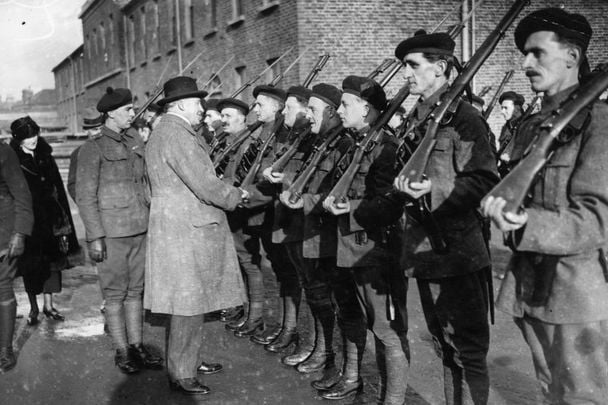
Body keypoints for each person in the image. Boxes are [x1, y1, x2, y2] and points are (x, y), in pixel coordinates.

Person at [483, 8, 608, 404]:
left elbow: (598, 217)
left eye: (537, 53)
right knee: (550, 393)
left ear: (571, 56)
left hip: (577, 294)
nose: (525, 64)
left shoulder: (600, 124)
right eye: (524, 54)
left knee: (581, 397)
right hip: (529, 287)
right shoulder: (532, 126)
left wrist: (526, 222)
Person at [393, 30, 499, 404]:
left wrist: (433, 190)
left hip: (458, 252)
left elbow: (485, 179)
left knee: (467, 351)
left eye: (412, 65)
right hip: (424, 252)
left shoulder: (465, 118)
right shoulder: (416, 120)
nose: (405, 74)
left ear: (439, 68)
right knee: (442, 345)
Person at [144, 76, 248, 395]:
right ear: (182, 105)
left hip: (176, 225)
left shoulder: (165, 132)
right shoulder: (177, 134)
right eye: (197, 104)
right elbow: (205, 183)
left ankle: (187, 361)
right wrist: (236, 195)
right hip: (187, 229)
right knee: (188, 302)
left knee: (188, 301)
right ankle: (183, 372)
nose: (202, 109)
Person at [321, 76, 409, 404]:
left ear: (367, 109)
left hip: (378, 251)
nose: (340, 111)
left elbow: (390, 203)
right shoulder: (359, 144)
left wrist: (349, 208)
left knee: (388, 333)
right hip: (355, 248)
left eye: (346, 105)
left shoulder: (386, 147)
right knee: (375, 327)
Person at [278, 83, 360, 388]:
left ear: (330, 113)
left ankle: (346, 369)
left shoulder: (346, 145)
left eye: (313, 110)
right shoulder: (318, 142)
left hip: (331, 235)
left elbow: (339, 192)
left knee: (342, 304)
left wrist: (306, 200)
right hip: (311, 230)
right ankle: (322, 351)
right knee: (317, 294)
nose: (308, 116)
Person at [76, 87, 162, 374]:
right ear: (111, 113)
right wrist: (95, 237)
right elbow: (86, 197)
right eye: (127, 110)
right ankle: (122, 350)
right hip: (111, 234)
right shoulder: (93, 147)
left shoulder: (134, 139)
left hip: (139, 227)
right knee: (115, 295)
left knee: (136, 291)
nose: (132, 114)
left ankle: (137, 346)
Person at [9, 116, 78, 326]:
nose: (33, 140)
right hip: (28, 220)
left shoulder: (45, 155)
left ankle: (49, 305)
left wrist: (63, 219)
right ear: (19, 139)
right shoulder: (13, 159)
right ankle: (34, 307)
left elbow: (57, 187)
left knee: (53, 264)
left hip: (50, 218)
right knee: (30, 266)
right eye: (28, 137)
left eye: (35, 134)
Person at [260, 85, 313, 353]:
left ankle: (306, 340)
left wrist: (286, 178)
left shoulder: (311, 137)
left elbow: (311, 177)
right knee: (287, 274)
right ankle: (288, 328)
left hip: (303, 219)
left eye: (289, 107)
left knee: (310, 283)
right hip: (285, 216)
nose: (285, 111)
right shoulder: (288, 134)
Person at [0, 141, 33, 373]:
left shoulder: (4, 152)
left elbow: (22, 195)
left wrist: (20, 233)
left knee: (2, 288)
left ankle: (5, 350)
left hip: (2, 234)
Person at [67, 107, 104, 202]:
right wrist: (86, 206)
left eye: (102, 129)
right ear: (85, 131)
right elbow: (72, 185)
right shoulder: (78, 153)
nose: (99, 133)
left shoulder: (114, 148)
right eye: (95, 129)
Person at [496, 90, 525, 177]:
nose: (502, 112)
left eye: (506, 108)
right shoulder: (506, 127)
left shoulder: (525, 126)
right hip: (505, 172)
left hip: (519, 173)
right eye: (502, 108)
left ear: (517, 108)